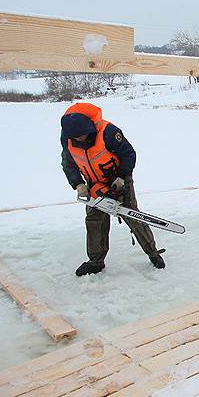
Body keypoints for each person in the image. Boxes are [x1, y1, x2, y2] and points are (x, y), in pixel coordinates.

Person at [60, 102, 165, 275]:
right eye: (75, 137)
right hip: (94, 184)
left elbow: (128, 154)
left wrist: (122, 177)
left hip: (119, 179)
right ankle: (96, 261)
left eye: (81, 135)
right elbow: (68, 163)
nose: (78, 139)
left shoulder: (108, 132)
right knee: (94, 221)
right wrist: (78, 184)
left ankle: (152, 253)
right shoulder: (68, 138)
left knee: (132, 216)